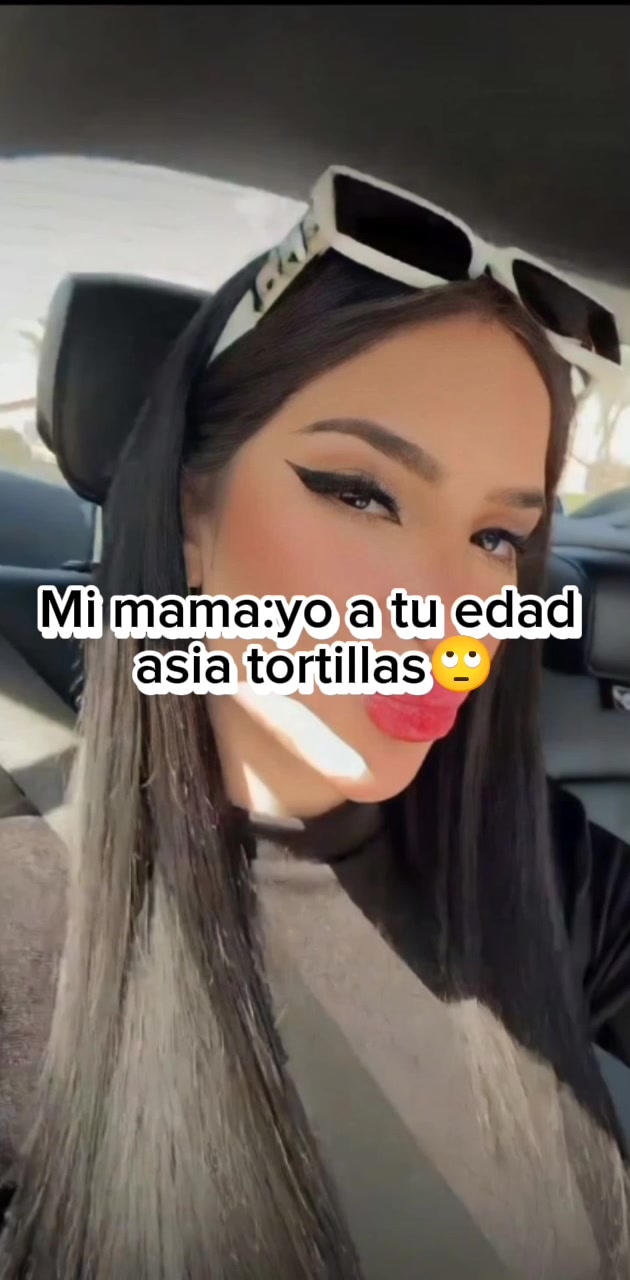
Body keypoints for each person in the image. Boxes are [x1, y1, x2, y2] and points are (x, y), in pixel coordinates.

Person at [1, 166, 630, 1280]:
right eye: (361, 493)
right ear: (188, 513)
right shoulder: (27, 908)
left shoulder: (533, 857)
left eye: (497, 537)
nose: (452, 607)